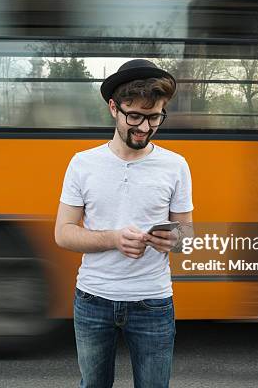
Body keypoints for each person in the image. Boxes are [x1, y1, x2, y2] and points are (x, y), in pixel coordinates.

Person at [54, 59, 194, 388]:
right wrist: (114, 239)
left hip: (154, 302)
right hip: (92, 300)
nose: (144, 128)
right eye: (134, 116)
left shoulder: (176, 166)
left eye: (155, 117)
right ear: (113, 108)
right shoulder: (82, 164)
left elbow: (186, 236)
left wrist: (171, 239)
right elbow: (63, 233)